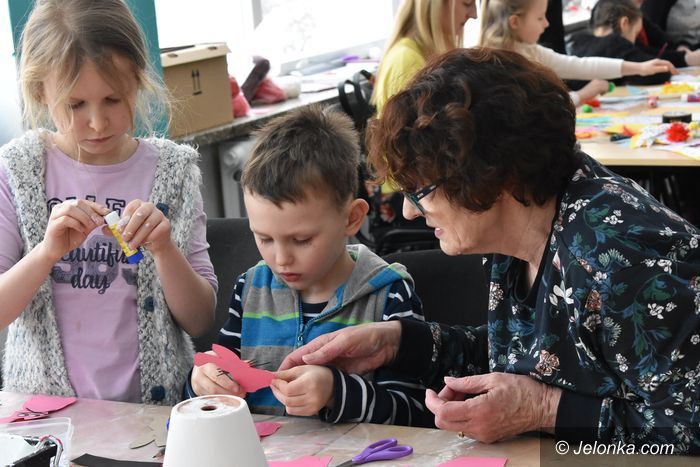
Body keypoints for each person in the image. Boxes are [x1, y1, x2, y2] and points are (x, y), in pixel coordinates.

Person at [279, 48, 700, 453]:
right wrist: (399, 345)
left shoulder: (622, 259)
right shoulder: (520, 225)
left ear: (491, 176)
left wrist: (542, 409)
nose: (409, 211)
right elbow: (542, 356)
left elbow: (688, 426)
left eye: (420, 191)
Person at [0, 0, 217, 405]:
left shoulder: (174, 172)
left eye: (113, 100)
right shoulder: (17, 171)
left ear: (137, 79)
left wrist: (165, 250)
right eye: (75, 105)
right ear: (40, 91)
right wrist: (46, 253)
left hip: (155, 413)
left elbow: (200, 319)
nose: (98, 123)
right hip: (47, 418)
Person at [186, 106, 433, 427]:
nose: (281, 258)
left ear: (351, 218)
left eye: (301, 240)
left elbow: (414, 412)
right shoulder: (250, 289)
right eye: (264, 238)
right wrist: (201, 383)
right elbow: (217, 381)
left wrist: (336, 392)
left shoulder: (390, 293)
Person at [368, 0, 478, 250]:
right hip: (409, 194)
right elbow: (422, 154)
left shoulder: (418, 51)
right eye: (467, 3)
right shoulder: (407, 59)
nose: (473, 14)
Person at [479, 0, 677, 105]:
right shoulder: (497, 67)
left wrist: (640, 68)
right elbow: (534, 109)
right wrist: (581, 95)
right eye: (540, 18)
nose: (546, 24)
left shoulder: (530, 51)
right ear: (515, 22)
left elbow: (581, 65)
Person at [570, 0, 700, 84]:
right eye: (636, 34)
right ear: (624, 23)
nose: (635, 41)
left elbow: (644, 52)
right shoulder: (615, 42)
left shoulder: (579, 41)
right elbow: (656, 72)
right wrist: (683, 59)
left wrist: (684, 57)